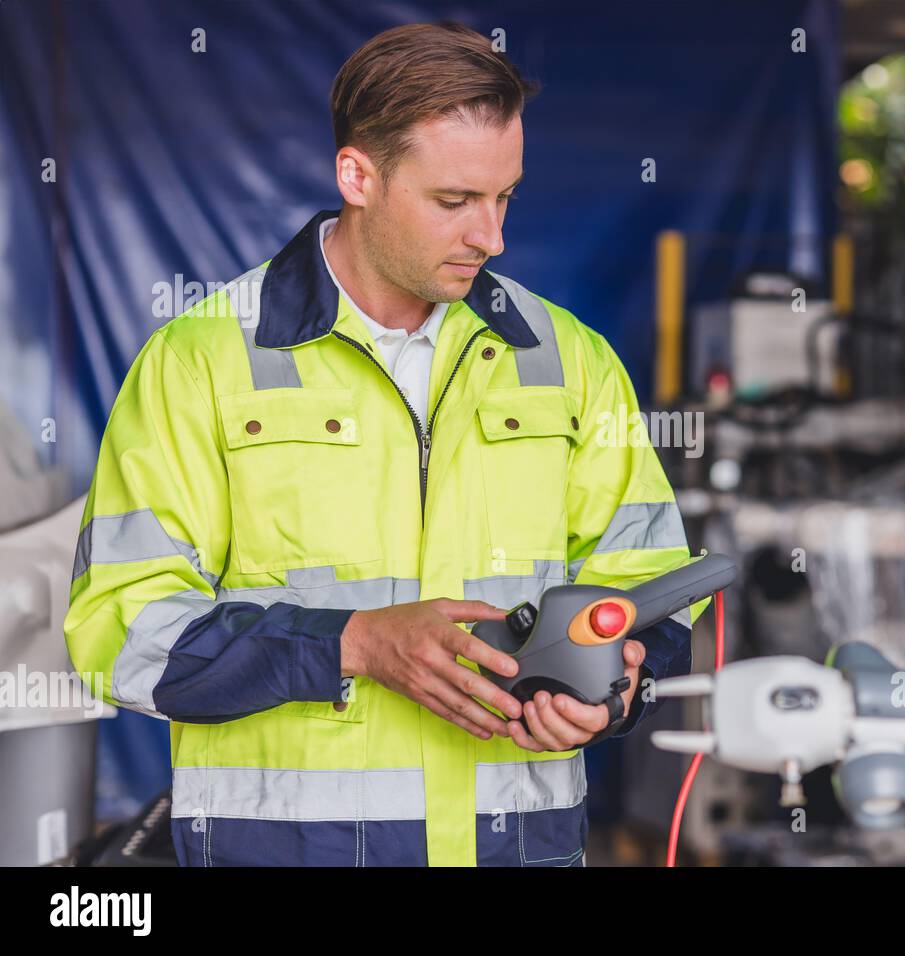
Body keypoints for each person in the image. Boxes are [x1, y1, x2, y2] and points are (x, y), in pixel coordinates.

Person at [64, 21, 698, 866]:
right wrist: (351, 642)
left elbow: (652, 584)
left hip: (519, 848)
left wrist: (611, 689)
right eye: (454, 202)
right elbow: (119, 628)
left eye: (504, 197)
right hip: (285, 852)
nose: (492, 236)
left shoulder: (566, 360)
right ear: (357, 175)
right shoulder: (201, 361)